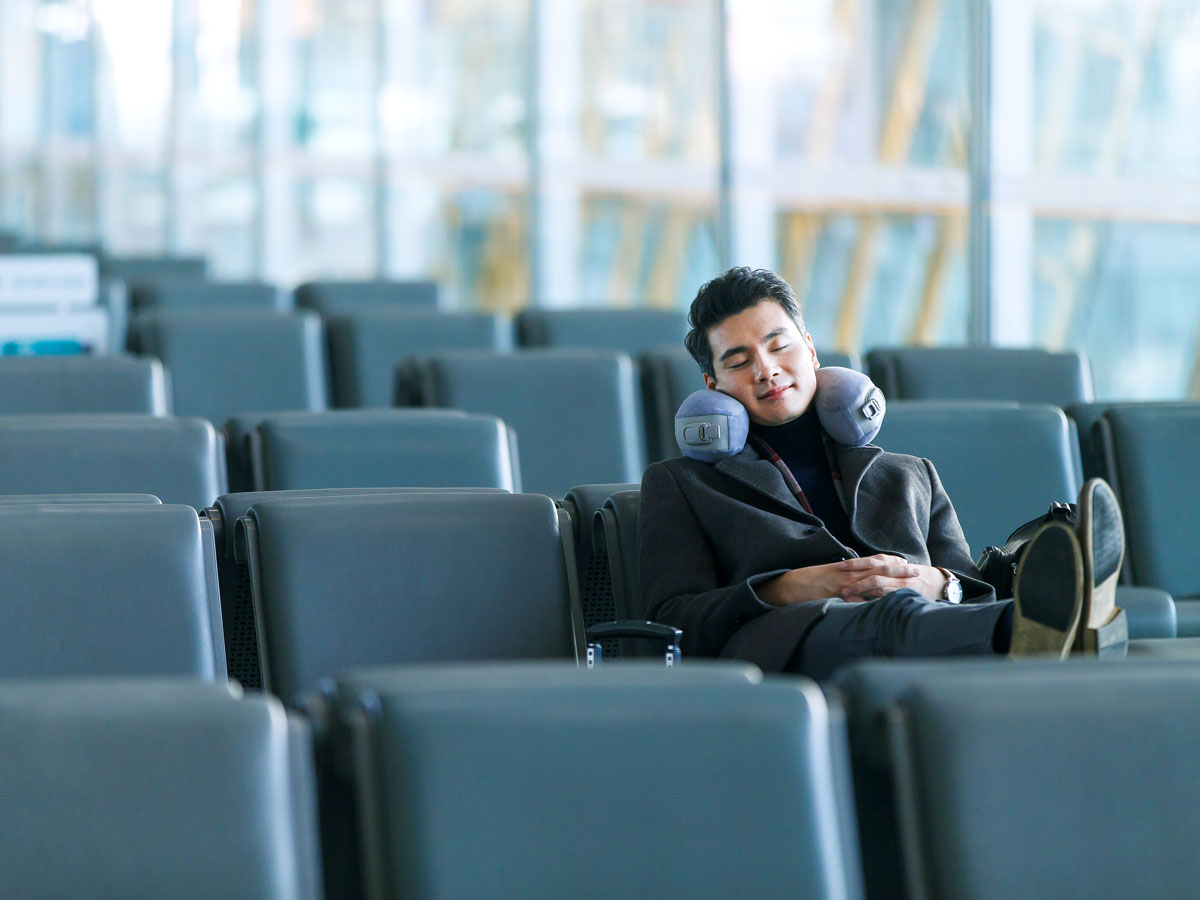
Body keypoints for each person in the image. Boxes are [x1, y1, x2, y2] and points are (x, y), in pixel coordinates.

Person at [638, 266, 1123, 679]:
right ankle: (1049, 627)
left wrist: (938, 584)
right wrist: (786, 588)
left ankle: (1048, 625)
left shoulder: (910, 474)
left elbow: (970, 585)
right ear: (713, 385)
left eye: (778, 346)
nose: (766, 370)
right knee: (894, 616)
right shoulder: (682, 484)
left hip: (922, 630)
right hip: (789, 646)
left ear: (809, 349)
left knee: (908, 610)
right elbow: (671, 620)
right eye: (739, 362)